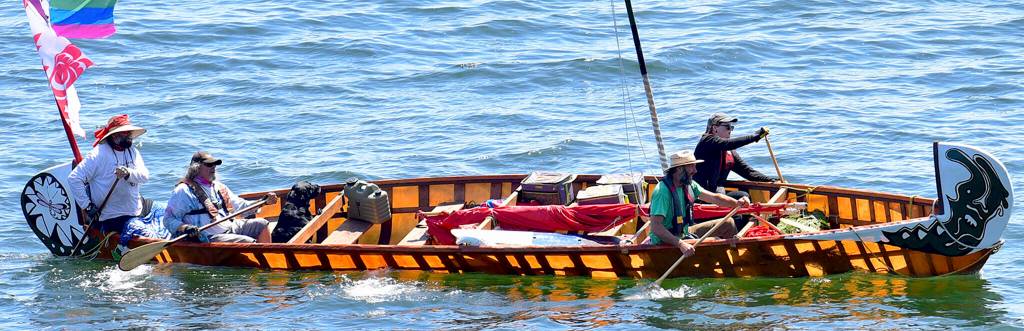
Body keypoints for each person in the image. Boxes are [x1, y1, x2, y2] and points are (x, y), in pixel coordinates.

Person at [648, 150, 751, 257]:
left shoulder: (689, 184)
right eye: (691, 167)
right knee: (714, 241)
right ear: (679, 169)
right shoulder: (662, 192)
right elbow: (656, 227)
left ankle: (736, 259)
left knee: (728, 223)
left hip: (684, 233)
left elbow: (715, 198)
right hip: (666, 242)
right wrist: (681, 244)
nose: (695, 171)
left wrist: (737, 203)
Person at [163, 151, 278, 243]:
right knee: (247, 242)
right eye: (209, 165)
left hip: (229, 227)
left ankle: (269, 264)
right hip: (208, 237)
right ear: (196, 168)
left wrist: (263, 201)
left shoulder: (219, 187)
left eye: (215, 164)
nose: (213, 167)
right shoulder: (183, 191)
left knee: (262, 224)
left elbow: (242, 207)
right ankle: (259, 267)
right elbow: (168, 219)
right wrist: (186, 228)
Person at [68, 114, 149, 233]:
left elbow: (145, 176)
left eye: (129, 132)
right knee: (141, 231)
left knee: (163, 211)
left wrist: (128, 174)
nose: (129, 136)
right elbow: (74, 179)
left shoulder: (133, 151)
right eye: (125, 133)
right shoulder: (98, 154)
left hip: (135, 210)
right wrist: (88, 207)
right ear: (115, 135)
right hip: (111, 217)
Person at [693, 113, 774, 196]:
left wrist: (771, 180)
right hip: (702, 195)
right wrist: (756, 136)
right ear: (714, 128)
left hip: (717, 194)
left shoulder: (730, 153)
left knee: (744, 195)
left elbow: (748, 172)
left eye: (731, 127)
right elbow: (729, 143)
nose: (730, 130)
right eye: (727, 127)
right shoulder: (707, 141)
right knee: (741, 196)